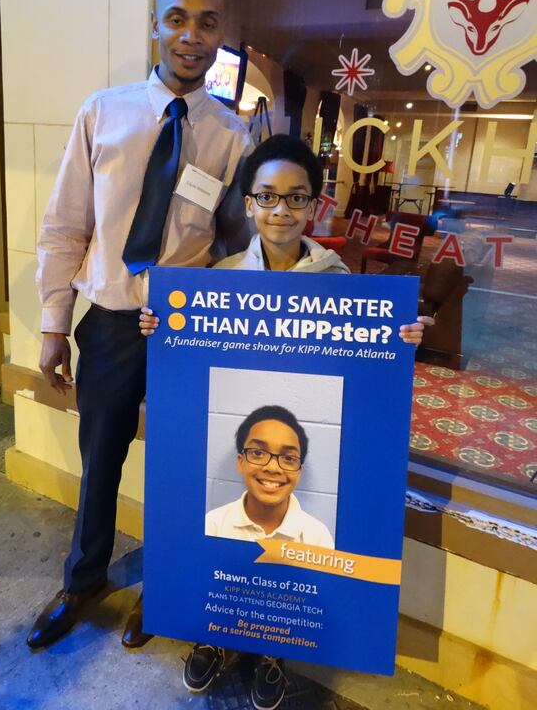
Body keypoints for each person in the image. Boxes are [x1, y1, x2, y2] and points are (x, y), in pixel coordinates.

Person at [140, 133, 433, 710]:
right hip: (237, 437)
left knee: (292, 539)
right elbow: (189, 363)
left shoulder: (340, 284)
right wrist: (160, 331)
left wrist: (403, 339)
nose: (281, 210)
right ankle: (214, 632)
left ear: (313, 206)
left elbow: (367, 364)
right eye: (267, 196)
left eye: (296, 198)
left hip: (301, 433)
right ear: (248, 204)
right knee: (222, 531)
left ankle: (272, 645)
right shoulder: (216, 278)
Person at [27, 0, 253, 651]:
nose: (191, 35)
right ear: (155, 25)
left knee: (184, 466)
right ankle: (84, 578)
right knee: (101, 460)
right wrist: (51, 325)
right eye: (177, 18)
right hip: (111, 324)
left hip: (186, 331)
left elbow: (241, 244)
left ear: (221, 34)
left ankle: (169, 591)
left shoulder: (232, 137)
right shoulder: (104, 111)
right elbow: (67, 224)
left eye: (207, 22)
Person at [206, 405, 334, 548]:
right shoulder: (212, 526)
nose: (273, 468)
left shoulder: (317, 538)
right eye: (258, 453)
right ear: (241, 462)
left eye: (289, 458)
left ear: (299, 471)